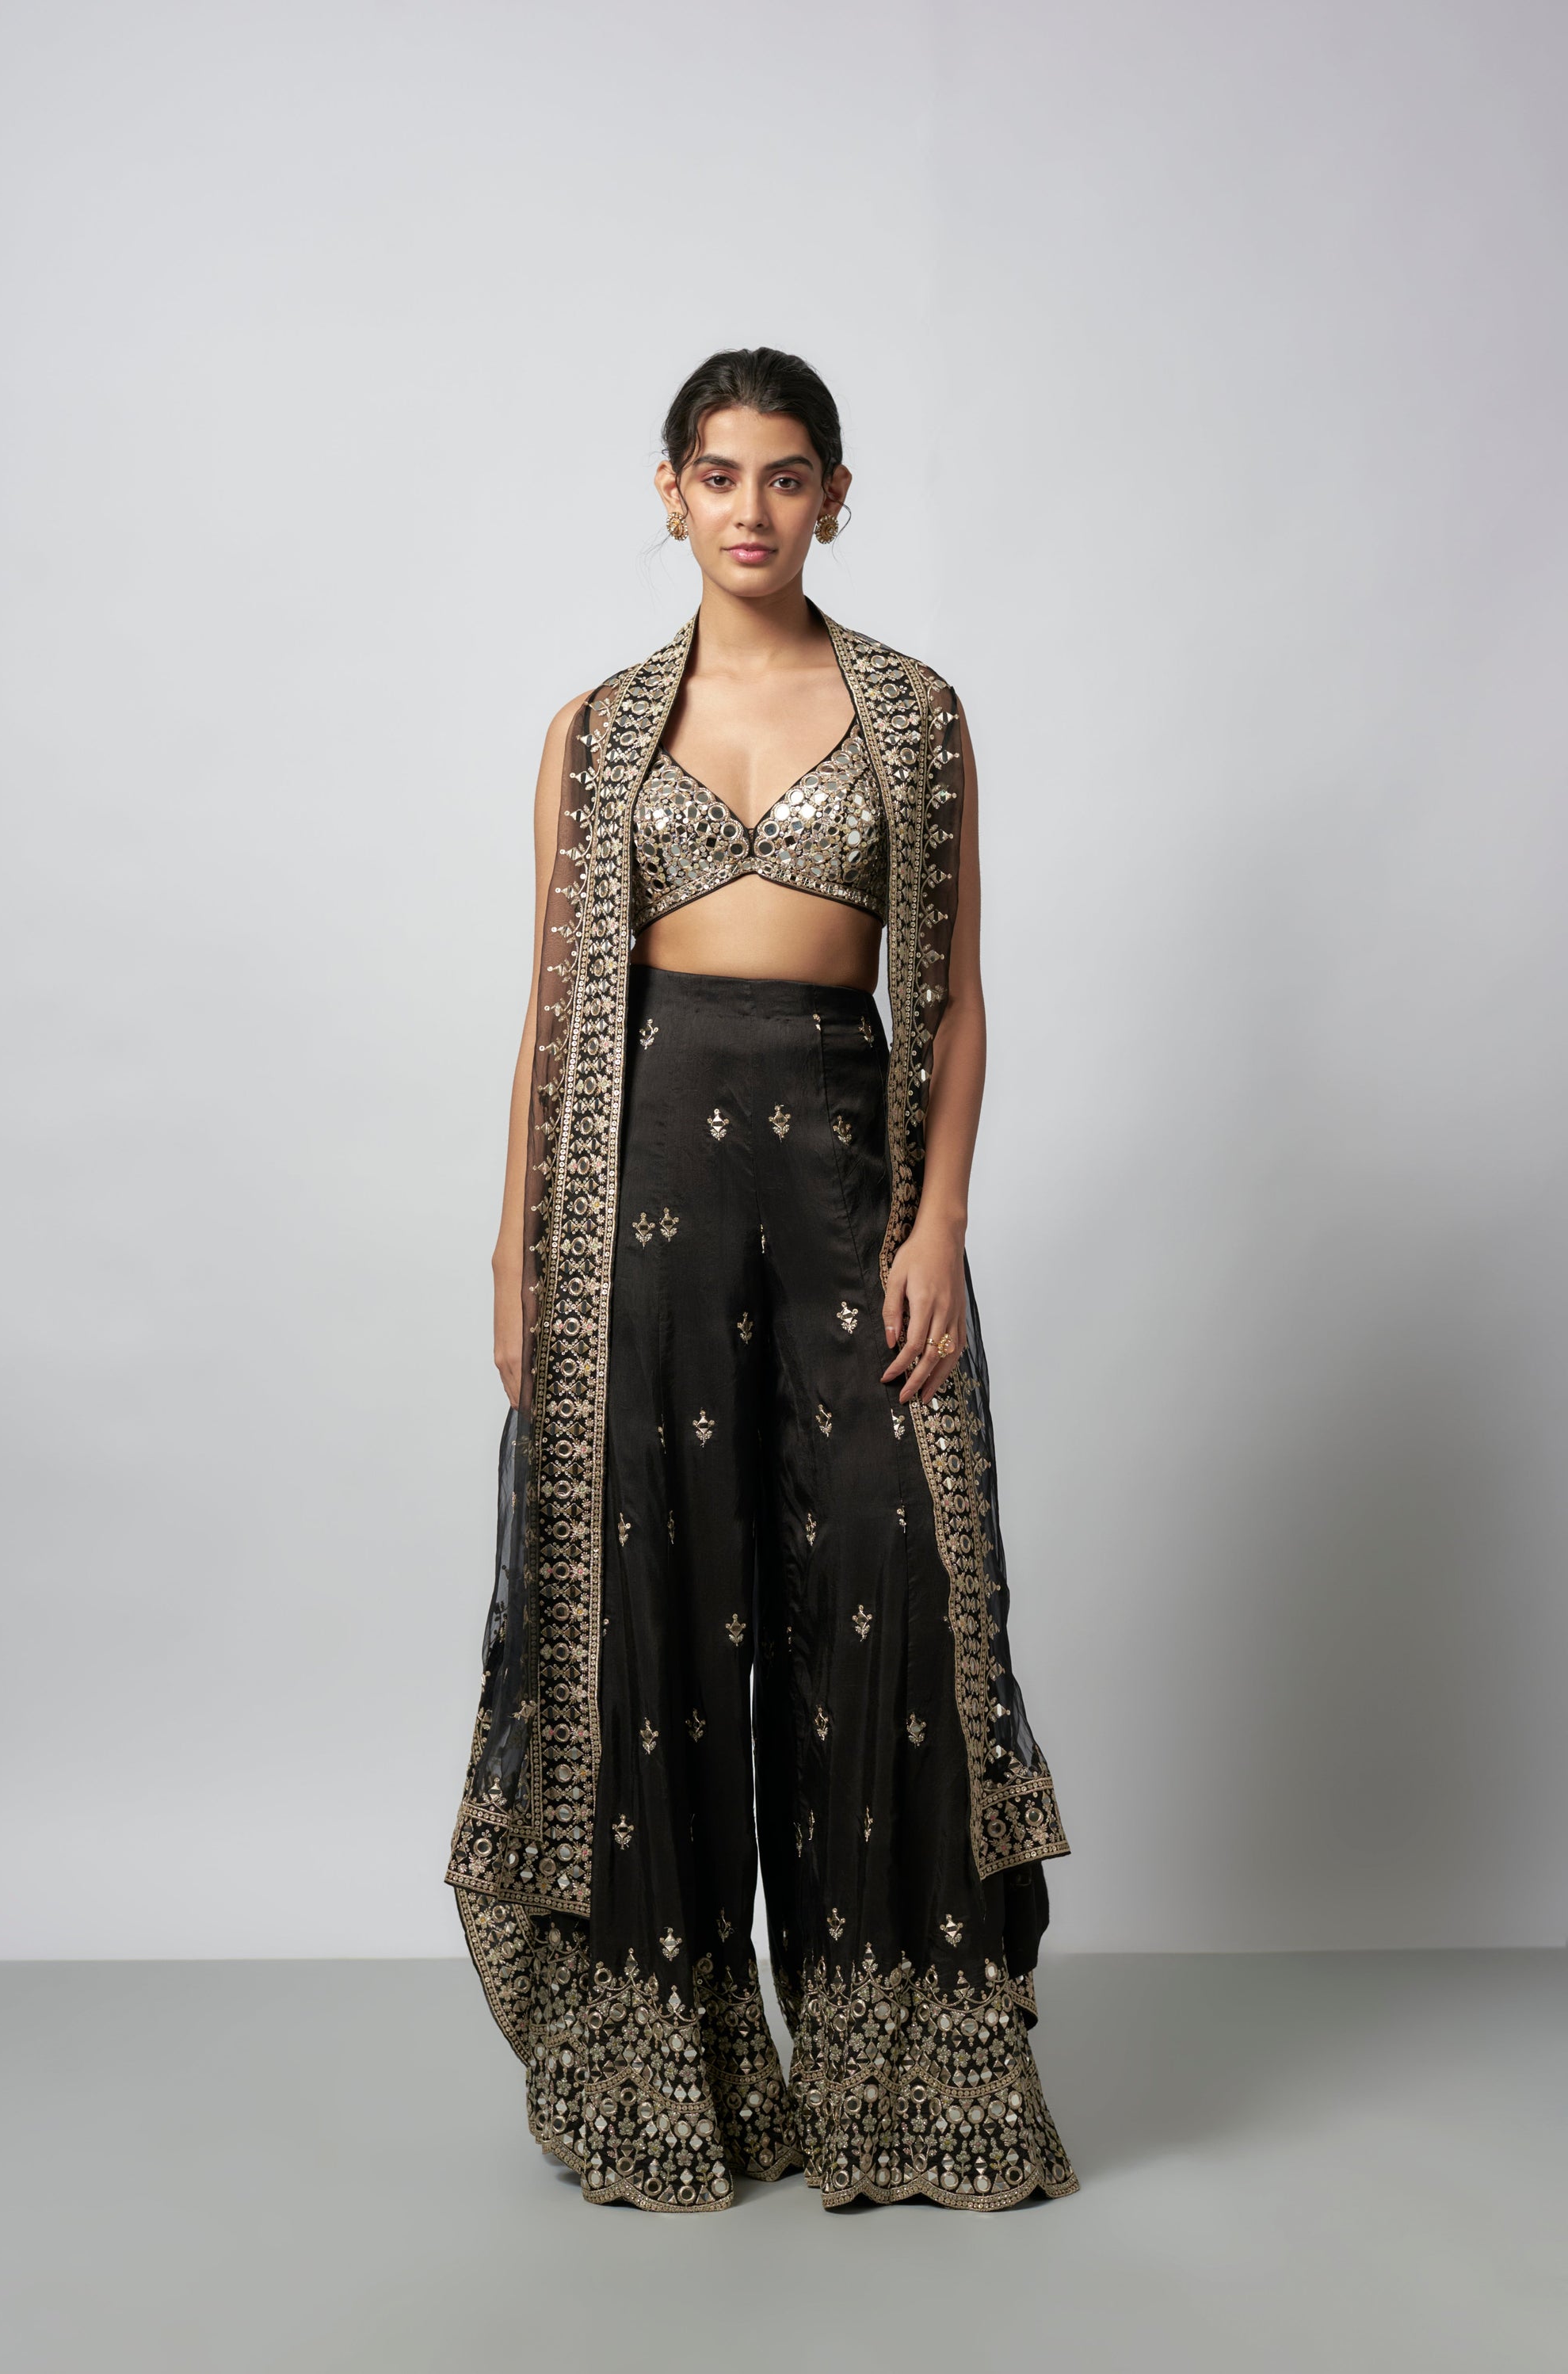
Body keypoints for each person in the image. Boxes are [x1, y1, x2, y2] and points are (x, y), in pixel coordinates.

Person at [445, 347, 1076, 2213]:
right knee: (654, 1595)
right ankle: (673, 2080)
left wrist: (937, 1224)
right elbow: (555, 1004)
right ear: (668, 493)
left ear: (833, 496)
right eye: (716, 475)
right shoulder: (595, 732)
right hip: (634, 1203)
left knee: (893, 1570)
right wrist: (515, 1250)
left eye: (785, 476)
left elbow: (949, 1002)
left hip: (842, 1195)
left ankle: (905, 2079)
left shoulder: (911, 716)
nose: (749, 508)